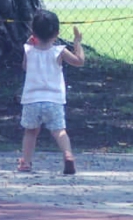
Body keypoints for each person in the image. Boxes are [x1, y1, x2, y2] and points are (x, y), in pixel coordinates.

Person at [18, 9, 85, 175]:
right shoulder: (59, 51)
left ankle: (26, 162)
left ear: (33, 32)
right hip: (53, 100)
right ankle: (68, 154)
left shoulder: (28, 50)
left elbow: (25, 67)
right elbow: (79, 61)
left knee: (31, 132)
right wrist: (77, 42)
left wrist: (30, 42)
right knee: (59, 130)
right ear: (56, 32)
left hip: (31, 100)